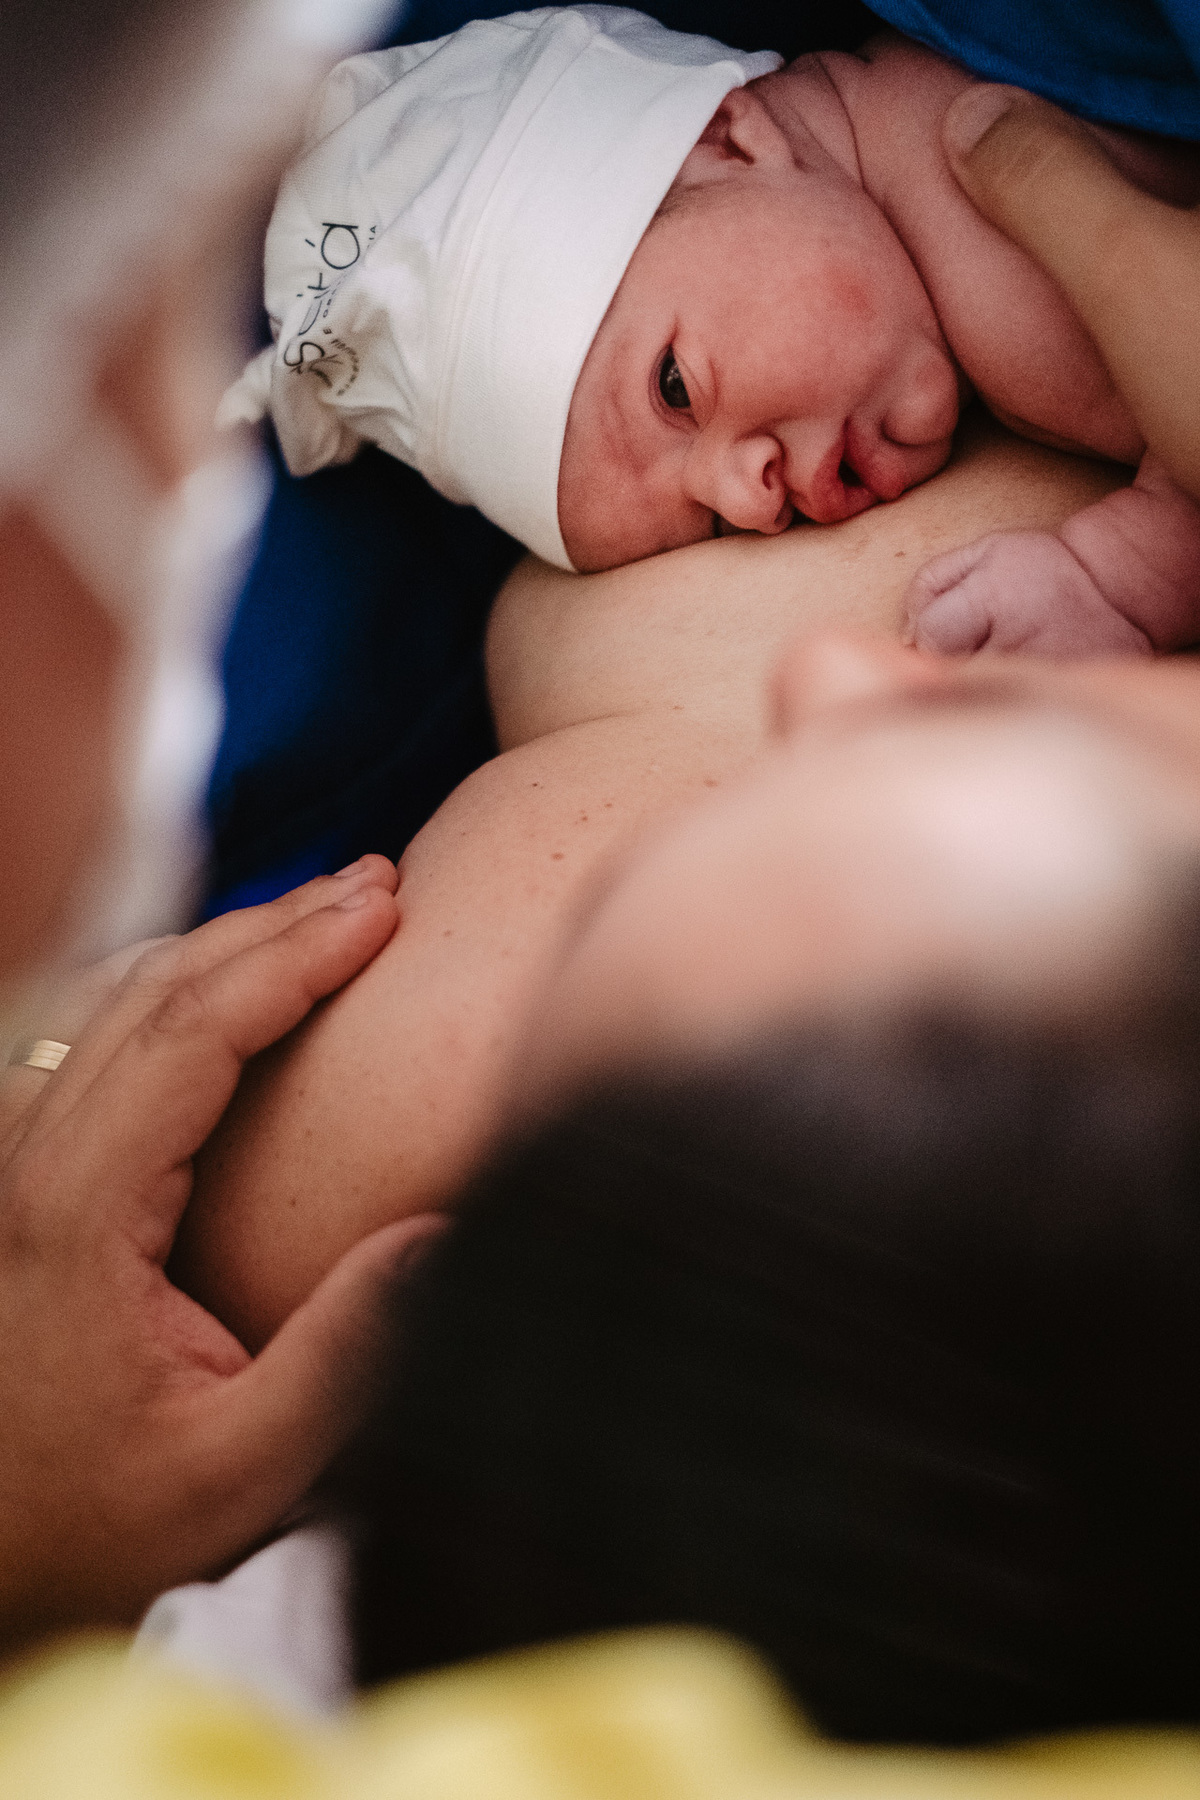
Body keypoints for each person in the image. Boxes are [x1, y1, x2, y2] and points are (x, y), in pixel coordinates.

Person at [230, 6, 1200, 660]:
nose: (753, 496)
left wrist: (1113, 576)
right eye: (709, 525)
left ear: (731, 142)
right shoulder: (908, 122)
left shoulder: (1012, 306)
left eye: (676, 392)